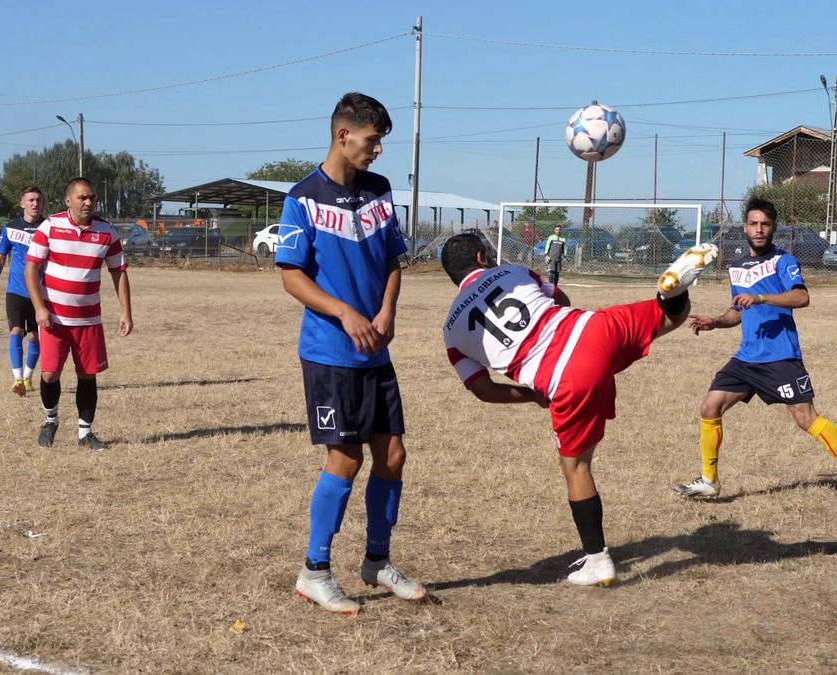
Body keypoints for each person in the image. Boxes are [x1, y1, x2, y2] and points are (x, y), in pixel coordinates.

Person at [441, 230, 719, 587]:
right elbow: (562, 297)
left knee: (575, 466)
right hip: (592, 329)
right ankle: (672, 290)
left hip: (563, 377)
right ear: (482, 258)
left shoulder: (450, 330)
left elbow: (481, 389)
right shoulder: (513, 272)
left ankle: (598, 561)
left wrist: (532, 396)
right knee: (667, 318)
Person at [275, 92, 424, 615]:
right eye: (372, 139)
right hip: (330, 353)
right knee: (346, 457)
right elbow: (292, 275)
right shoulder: (303, 197)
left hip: (376, 351)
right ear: (343, 135)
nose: (378, 150)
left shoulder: (379, 191)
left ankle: (376, 562)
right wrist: (345, 313)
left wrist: (386, 311)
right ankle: (314, 570)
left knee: (393, 455)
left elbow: (392, 260)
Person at [674, 197, 837, 512]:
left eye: (765, 224)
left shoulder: (785, 261)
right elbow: (737, 311)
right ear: (745, 227)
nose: (759, 230)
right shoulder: (737, 267)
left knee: (805, 417)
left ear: (774, 228)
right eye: (753, 224)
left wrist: (762, 296)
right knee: (710, 407)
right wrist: (715, 322)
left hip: (780, 356)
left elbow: (802, 297)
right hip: (747, 357)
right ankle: (709, 481)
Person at [24, 178, 133, 451]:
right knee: (50, 374)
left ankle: (86, 434)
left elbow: (119, 272)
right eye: (82, 197)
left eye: (91, 198)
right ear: (68, 200)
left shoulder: (107, 232)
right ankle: (51, 421)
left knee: (87, 375)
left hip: (88, 321)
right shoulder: (50, 227)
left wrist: (125, 311)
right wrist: (39, 308)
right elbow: (31, 270)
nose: (88, 202)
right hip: (54, 320)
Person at [0, 186, 45, 395]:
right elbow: (0, 258)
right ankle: (18, 379)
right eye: (30, 200)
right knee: (16, 332)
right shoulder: (10, 229)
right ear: (22, 204)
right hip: (16, 291)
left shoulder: (49, 228)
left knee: (35, 337)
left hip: (40, 292)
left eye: (38, 200)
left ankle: (28, 377)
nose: (35, 203)